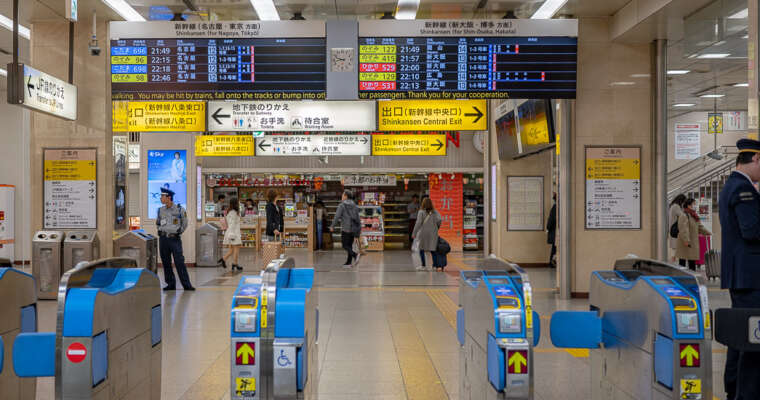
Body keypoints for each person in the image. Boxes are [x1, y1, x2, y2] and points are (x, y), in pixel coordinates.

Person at [719, 138, 760, 400]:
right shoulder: (743, 190)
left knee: (740, 336)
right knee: (753, 339)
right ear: (756, 159)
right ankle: (746, 393)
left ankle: (734, 388)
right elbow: (752, 230)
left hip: (742, 274)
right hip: (751, 275)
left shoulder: (732, 186)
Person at [156, 187, 194, 291]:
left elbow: (185, 223)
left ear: (168, 197)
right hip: (163, 239)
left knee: (179, 262)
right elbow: (158, 222)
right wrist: (160, 230)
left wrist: (178, 232)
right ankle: (170, 284)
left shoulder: (180, 209)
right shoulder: (160, 210)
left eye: (162, 196)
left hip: (174, 239)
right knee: (166, 262)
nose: (160, 198)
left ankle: (187, 285)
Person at [675, 197, 711, 271]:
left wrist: (708, 233)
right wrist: (686, 240)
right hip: (685, 243)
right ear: (688, 205)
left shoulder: (694, 216)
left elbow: (700, 227)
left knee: (692, 261)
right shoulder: (684, 215)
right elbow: (683, 229)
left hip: (692, 242)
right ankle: (682, 278)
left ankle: (691, 277)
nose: (695, 205)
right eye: (694, 204)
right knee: (682, 262)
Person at [330, 190, 361, 267]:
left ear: (346, 196)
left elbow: (337, 216)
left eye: (343, 195)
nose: (342, 196)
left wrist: (332, 226)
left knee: (344, 245)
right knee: (349, 245)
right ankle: (348, 262)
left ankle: (355, 255)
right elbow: (357, 218)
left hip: (346, 229)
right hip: (353, 229)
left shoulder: (342, 205)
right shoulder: (354, 205)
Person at [412, 198, 443, 271]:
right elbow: (439, 220)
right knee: (433, 249)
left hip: (423, 232)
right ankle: (435, 266)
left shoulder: (421, 212)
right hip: (433, 232)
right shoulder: (435, 212)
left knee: (421, 249)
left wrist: (414, 233)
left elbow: (418, 223)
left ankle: (423, 266)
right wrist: (436, 227)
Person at [222, 197, 243, 271]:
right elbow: (232, 224)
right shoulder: (233, 212)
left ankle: (224, 260)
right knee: (236, 249)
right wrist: (233, 234)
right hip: (234, 234)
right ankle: (234, 263)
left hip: (231, 232)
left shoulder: (229, 212)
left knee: (231, 250)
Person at [669, 194, 687, 262]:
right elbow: (682, 215)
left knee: (674, 248)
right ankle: (674, 264)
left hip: (673, 228)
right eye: (683, 201)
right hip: (676, 229)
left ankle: (673, 262)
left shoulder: (672, 206)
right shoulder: (676, 206)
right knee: (676, 248)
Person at [546, 193, 557, 268]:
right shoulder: (557, 207)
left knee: (555, 248)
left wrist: (548, 228)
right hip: (556, 232)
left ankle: (552, 262)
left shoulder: (555, 207)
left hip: (554, 232)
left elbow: (551, 220)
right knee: (555, 248)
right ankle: (552, 262)